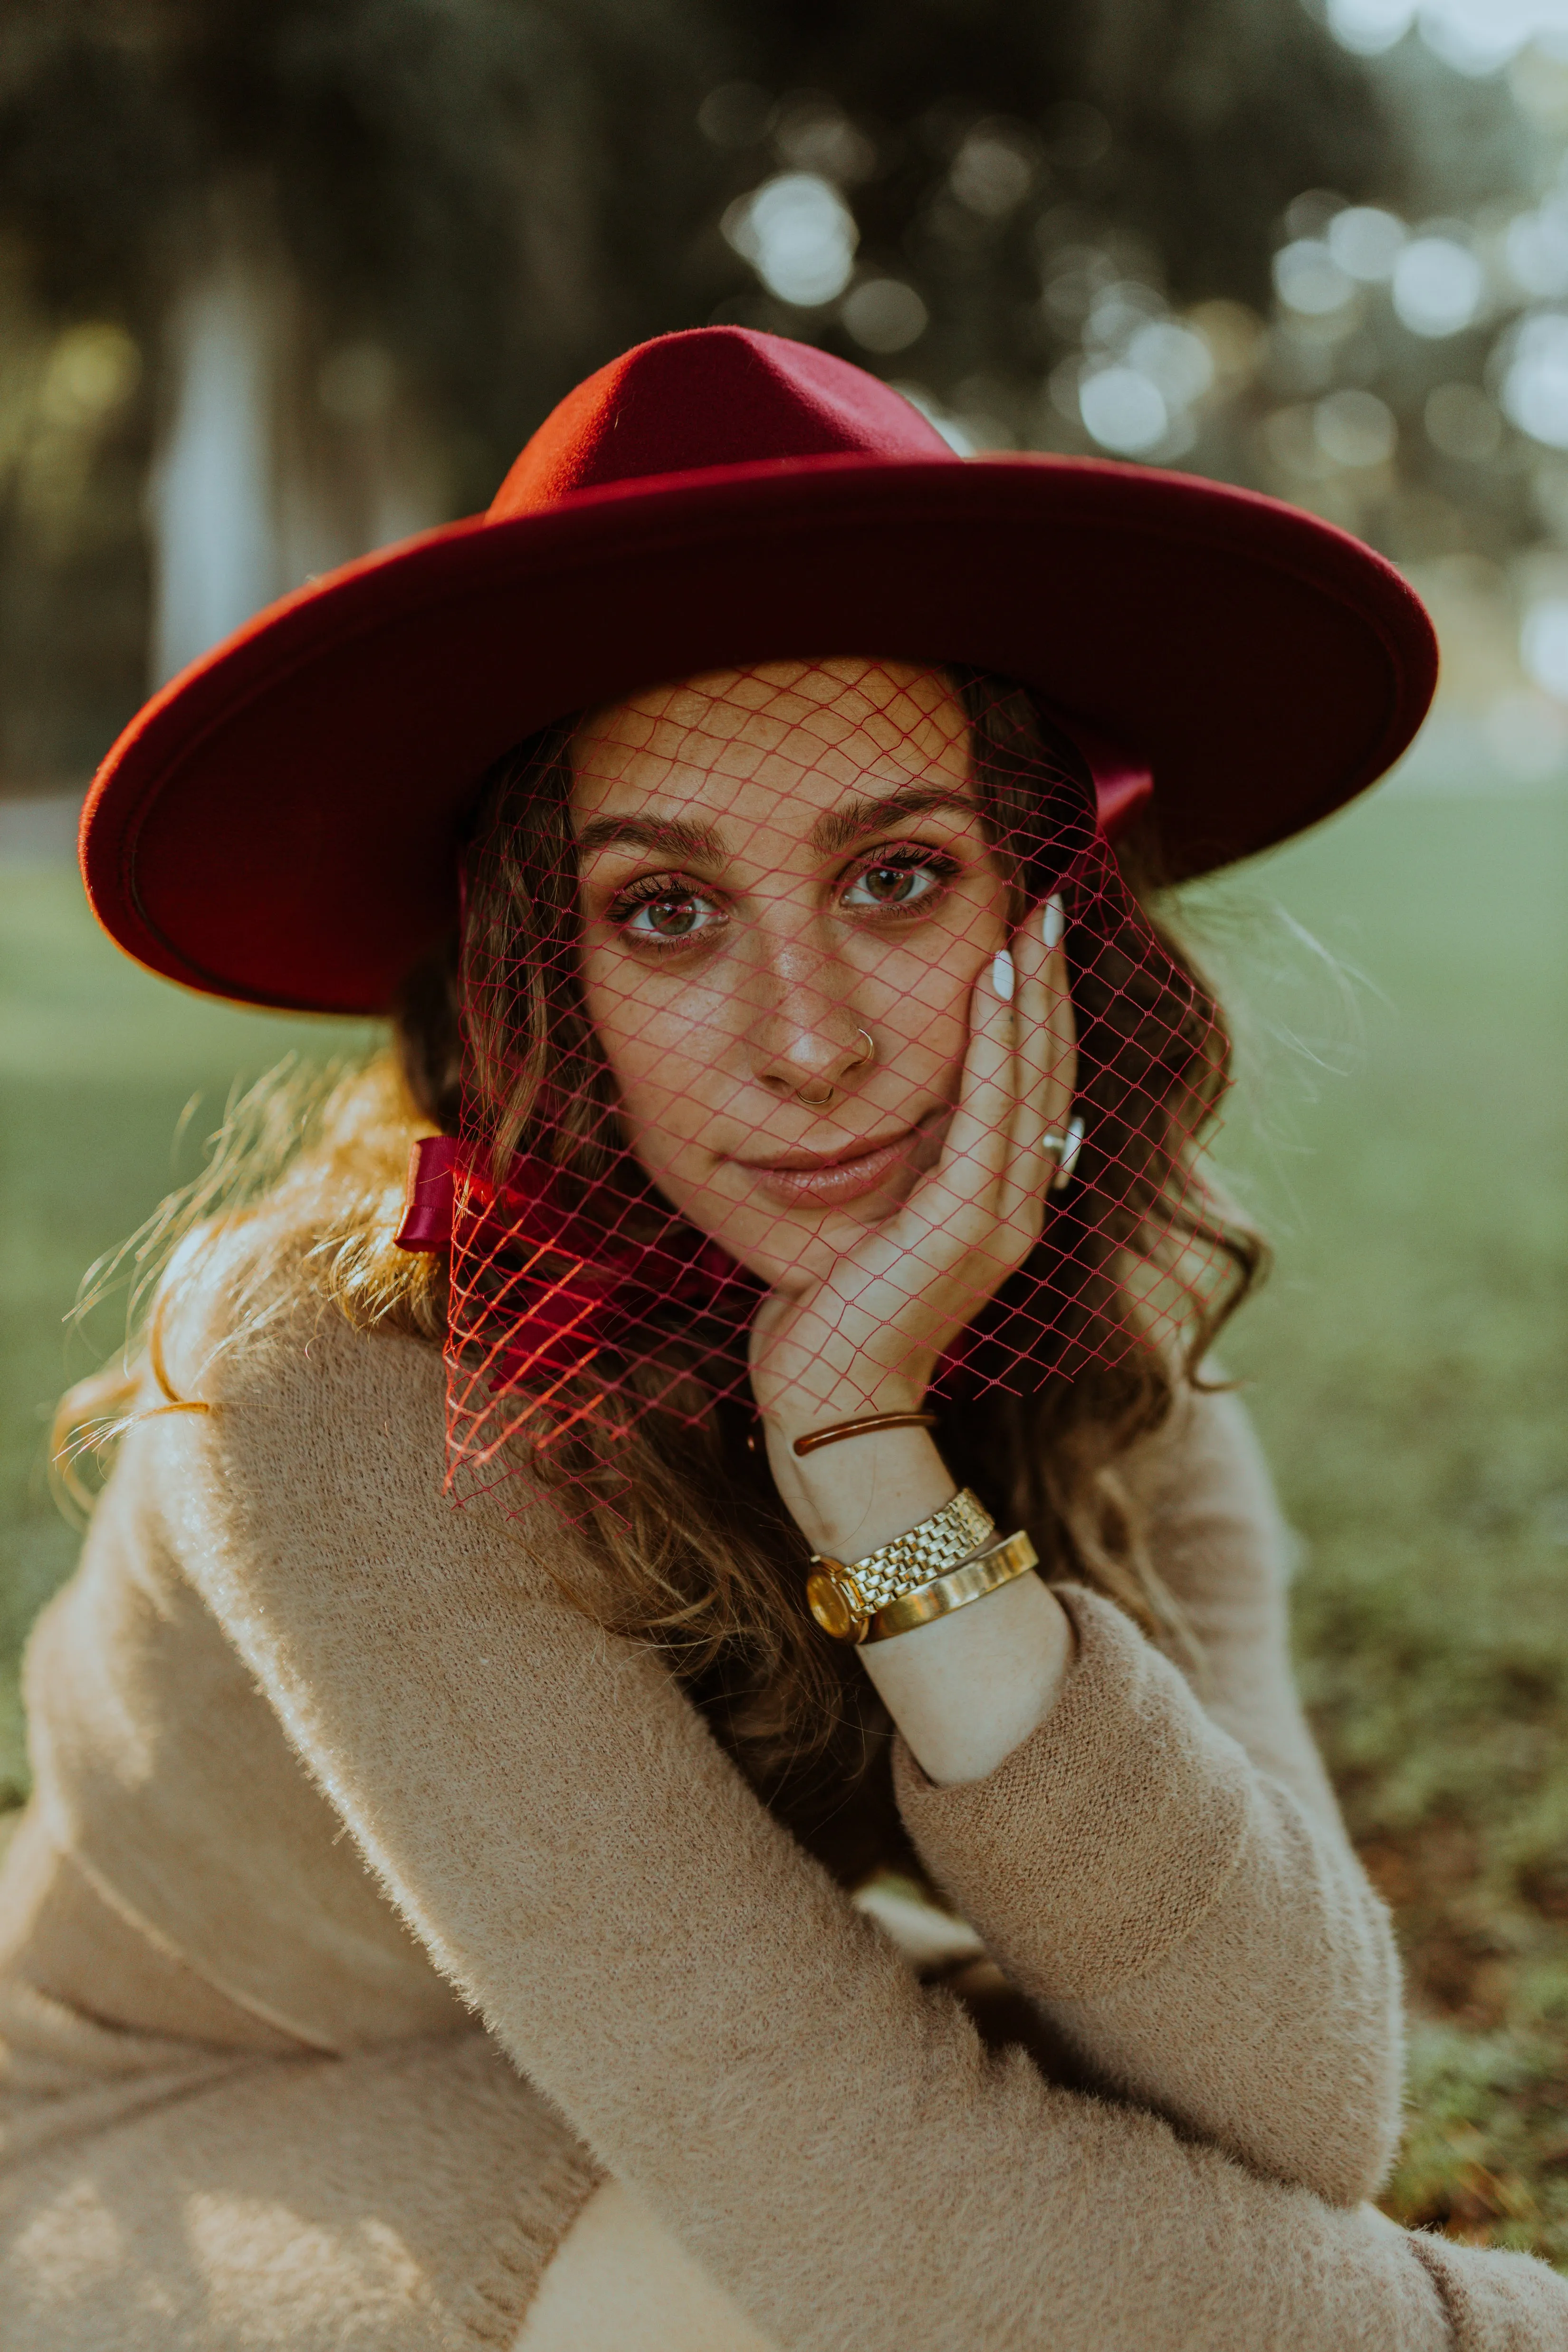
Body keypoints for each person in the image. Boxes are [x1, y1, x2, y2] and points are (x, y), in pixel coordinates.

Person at [2, 326, 1563, 2351]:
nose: (809, 1040)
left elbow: (1304, 2107)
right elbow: (898, 2247)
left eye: (899, 878)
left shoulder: (1099, 1342)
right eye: (665, 913)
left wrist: (865, 1448)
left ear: (1049, 912)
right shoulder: (338, 1376)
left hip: (617, 2054)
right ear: (526, 978)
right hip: (178, 2134)